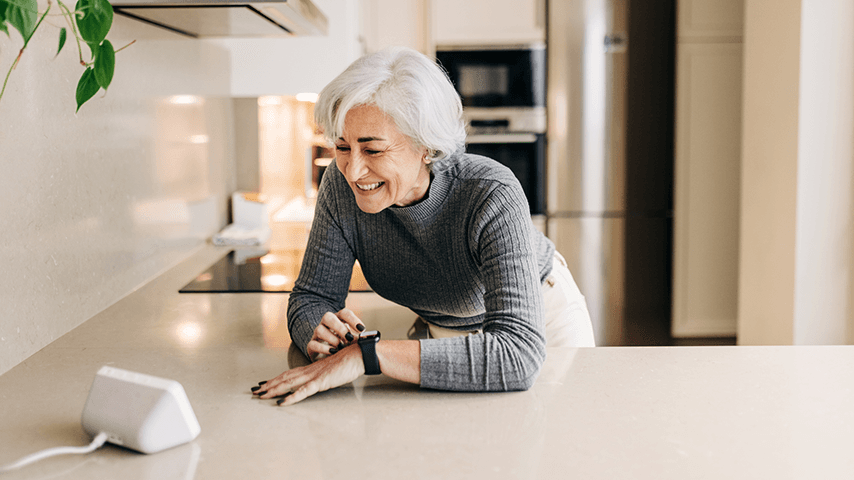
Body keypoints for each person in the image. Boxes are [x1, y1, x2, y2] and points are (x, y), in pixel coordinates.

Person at [251, 46, 595, 406]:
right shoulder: (339, 188)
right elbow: (312, 297)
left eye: (373, 150)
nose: (352, 171)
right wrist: (316, 329)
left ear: (425, 147)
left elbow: (518, 355)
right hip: (444, 331)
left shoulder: (490, 192)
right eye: (342, 147)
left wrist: (367, 355)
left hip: (542, 323)